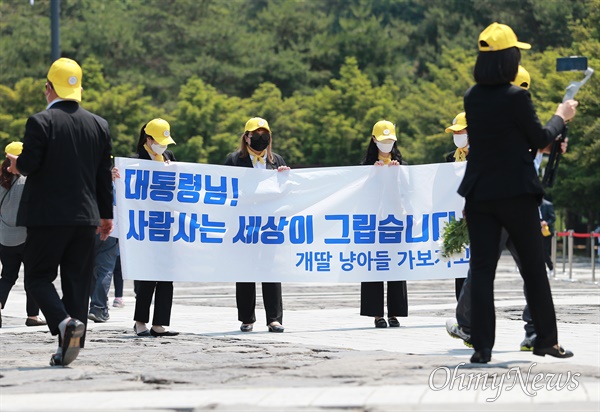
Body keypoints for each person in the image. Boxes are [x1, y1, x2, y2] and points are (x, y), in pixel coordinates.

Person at [457, 23, 577, 363]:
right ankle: (546, 341)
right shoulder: (516, 97)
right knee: (533, 269)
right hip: (516, 193)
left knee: (482, 269)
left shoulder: (472, 97)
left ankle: (482, 347)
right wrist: (561, 115)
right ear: (509, 59)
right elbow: (539, 138)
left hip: (479, 193)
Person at [6, 58, 113, 366]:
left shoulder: (40, 122)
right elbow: (102, 175)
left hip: (48, 217)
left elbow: (30, 165)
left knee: (38, 277)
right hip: (86, 217)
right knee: (78, 283)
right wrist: (106, 215)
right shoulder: (99, 124)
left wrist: (17, 163)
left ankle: (64, 325)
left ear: (47, 88)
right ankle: (70, 344)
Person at [224, 117, 290, 333]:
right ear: (246, 137)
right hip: (244, 224)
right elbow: (225, 189)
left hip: (270, 224)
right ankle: (246, 318)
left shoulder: (276, 160)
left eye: (265, 135)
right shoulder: (234, 160)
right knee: (245, 271)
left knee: (271, 270)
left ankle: (274, 318)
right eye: (256, 135)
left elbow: (286, 192)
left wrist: (284, 178)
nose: (261, 139)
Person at [131, 118, 179, 337]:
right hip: (145, 225)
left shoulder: (168, 157)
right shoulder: (134, 161)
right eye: (159, 141)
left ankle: (160, 323)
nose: (163, 145)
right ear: (148, 139)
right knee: (147, 275)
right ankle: (140, 321)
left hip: (166, 223)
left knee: (166, 276)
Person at [359, 120, 408, 328]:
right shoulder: (366, 167)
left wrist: (397, 176)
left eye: (390, 141)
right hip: (374, 223)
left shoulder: (402, 167)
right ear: (374, 140)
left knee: (396, 265)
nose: (386, 144)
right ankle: (376, 313)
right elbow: (361, 194)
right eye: (382, 140)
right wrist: (374, 176)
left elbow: (410, 192)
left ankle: (395, 313)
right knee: (375, 265)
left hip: (395, 223)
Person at [0, 141, 45, 328]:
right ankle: (32, 316)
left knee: (8, 275)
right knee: (32, 276)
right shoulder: (31, 179)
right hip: (28, 236)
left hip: (4, 237)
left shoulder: (1, 179)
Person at [88, 167, 121, 323]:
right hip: (109, 230)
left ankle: (98, 306)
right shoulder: (116, 183)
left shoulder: (84, 177)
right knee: (105, 269)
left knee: (90, 269)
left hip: (87, 228)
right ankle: (98, 307)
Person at [444, 113, 469, 300]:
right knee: (460, 263)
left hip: (480, 217)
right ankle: (462, 307)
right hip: (457, 219)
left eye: (461, 131)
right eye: (455, 132)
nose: (457, 135)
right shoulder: (449, 159)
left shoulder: (485, 155)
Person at [540, 197, 556, 275]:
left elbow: (553, 218)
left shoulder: (547, 205)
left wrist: (546, 222)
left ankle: (550, 267)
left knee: (544, 250)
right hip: (535, 231)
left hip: (546, 231)